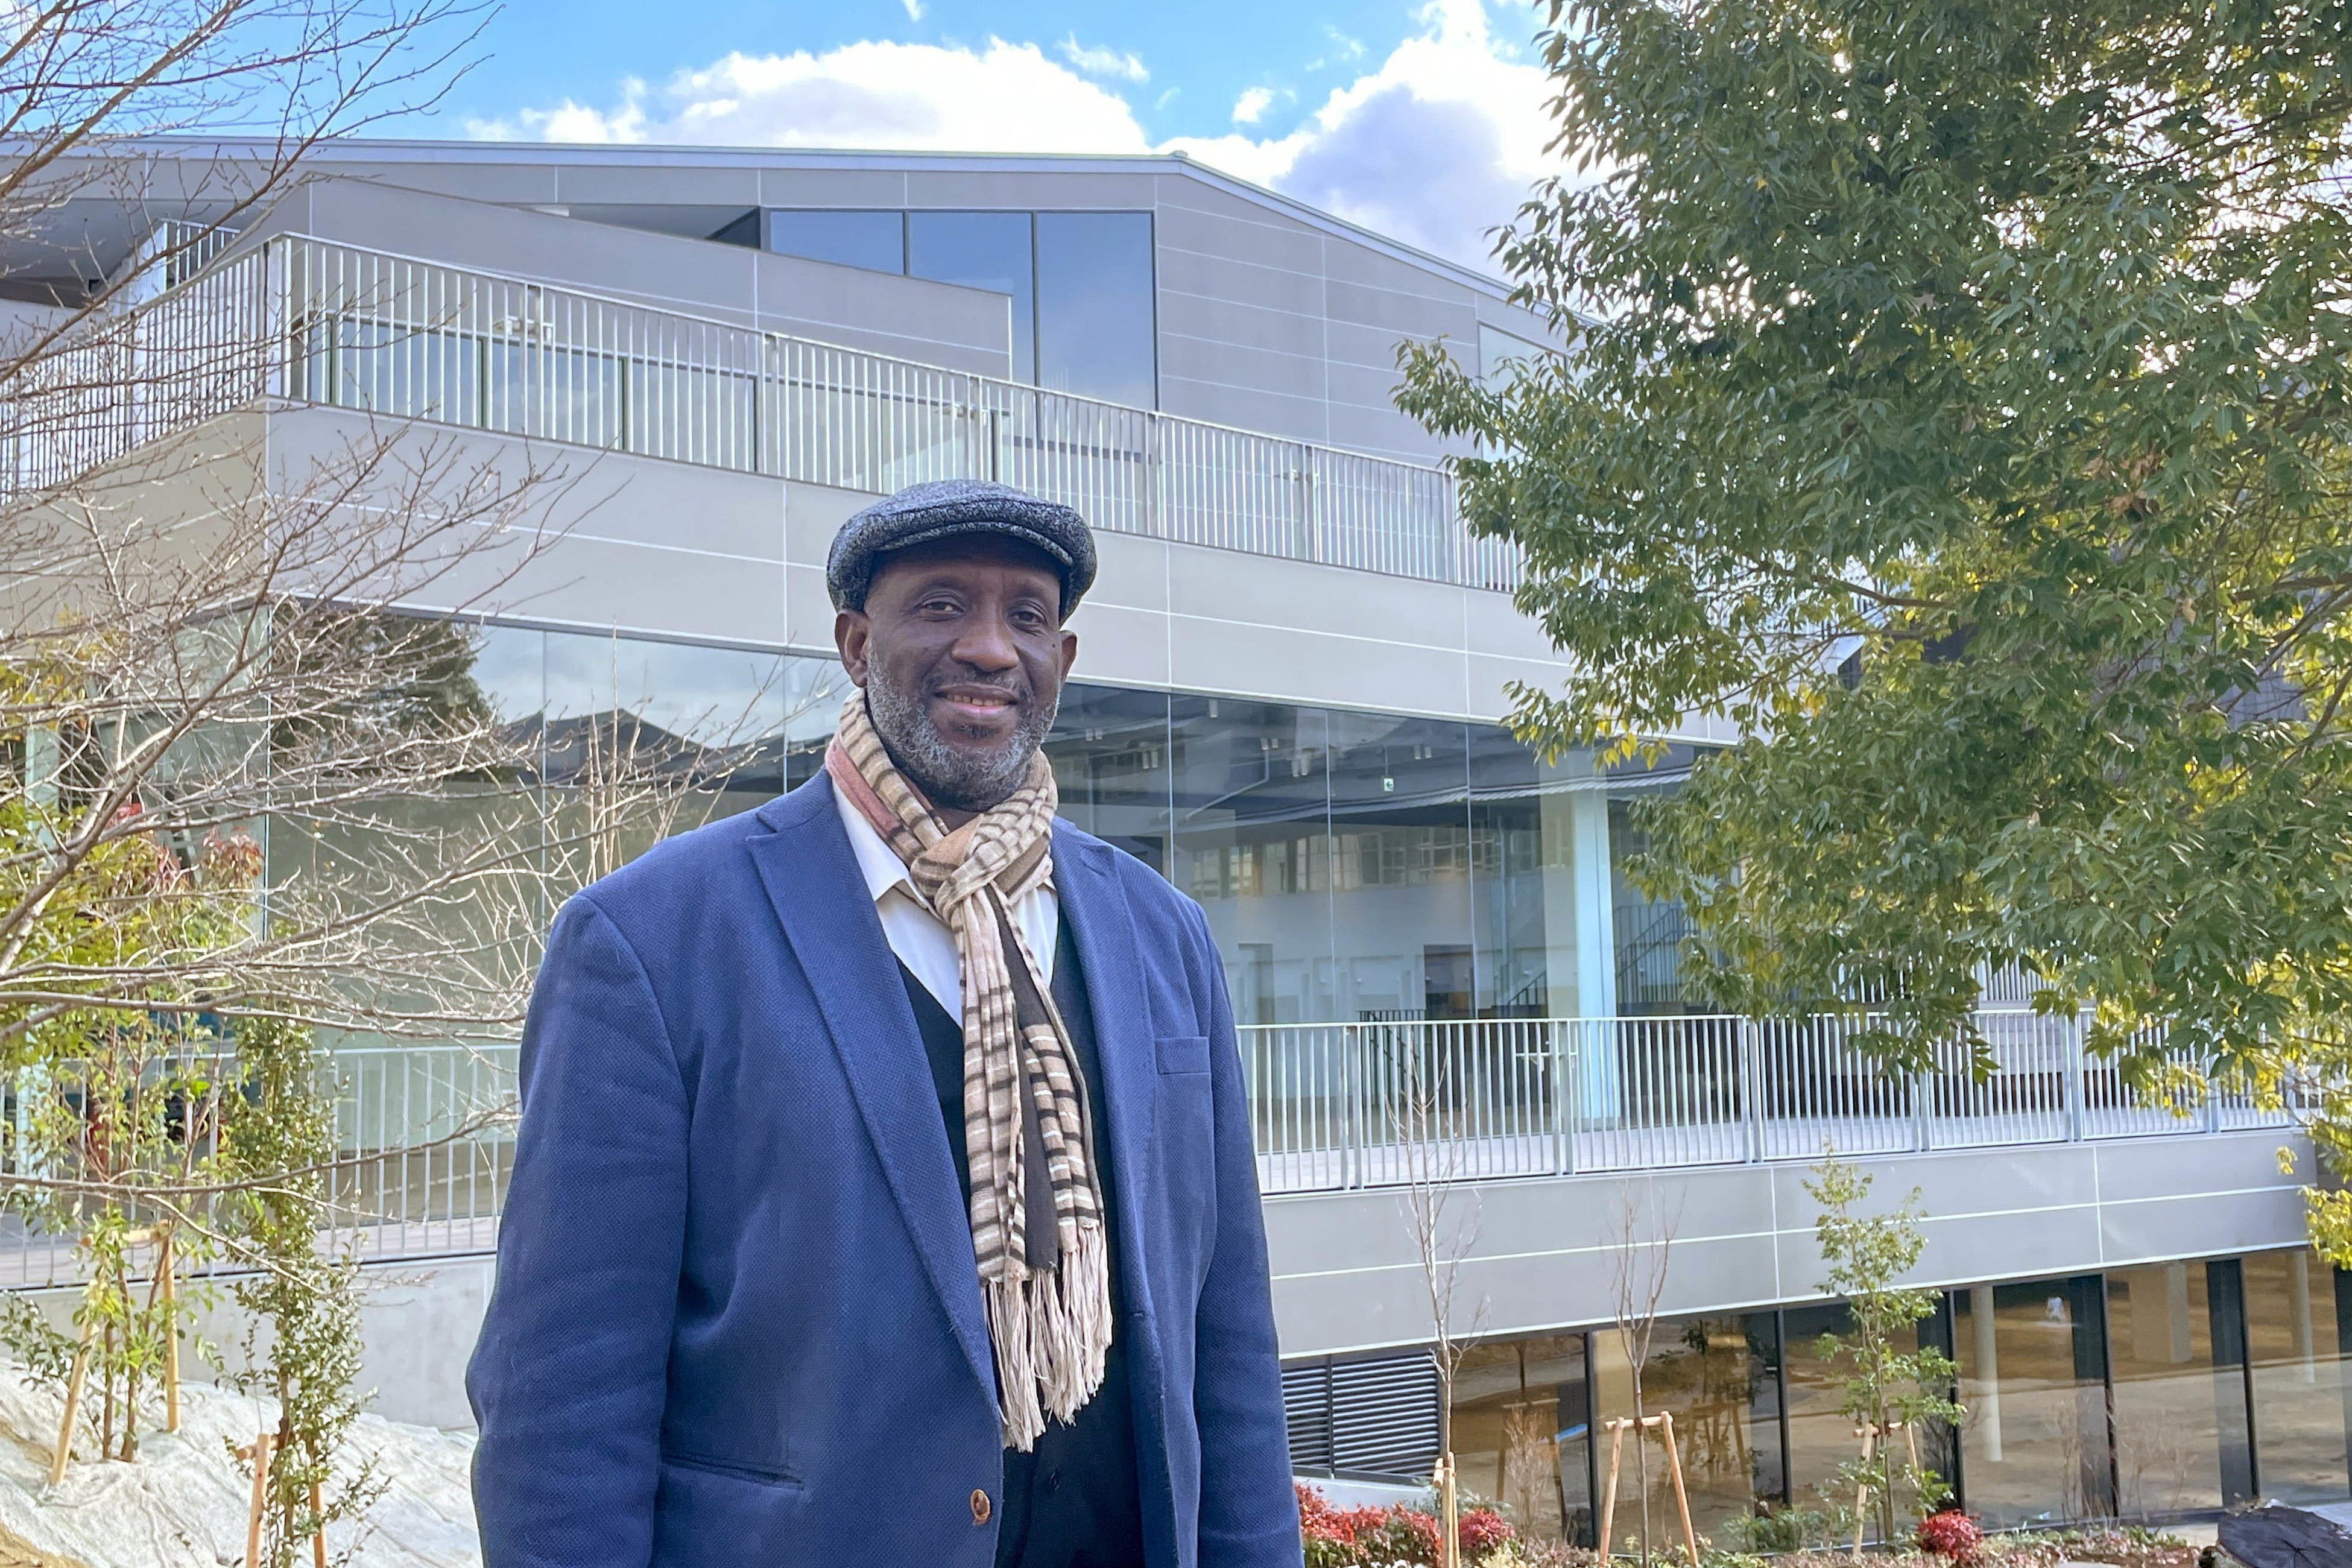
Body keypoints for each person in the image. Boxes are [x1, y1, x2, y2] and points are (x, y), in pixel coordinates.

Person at [467, 480, 1300, 1567]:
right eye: (942, 605)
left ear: (1063, 658)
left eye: (1027, 616)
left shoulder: (1165, 938)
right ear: (856, 645)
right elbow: (562, 1413)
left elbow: (1229, 1355)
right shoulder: (651, 943)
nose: (990, 648)